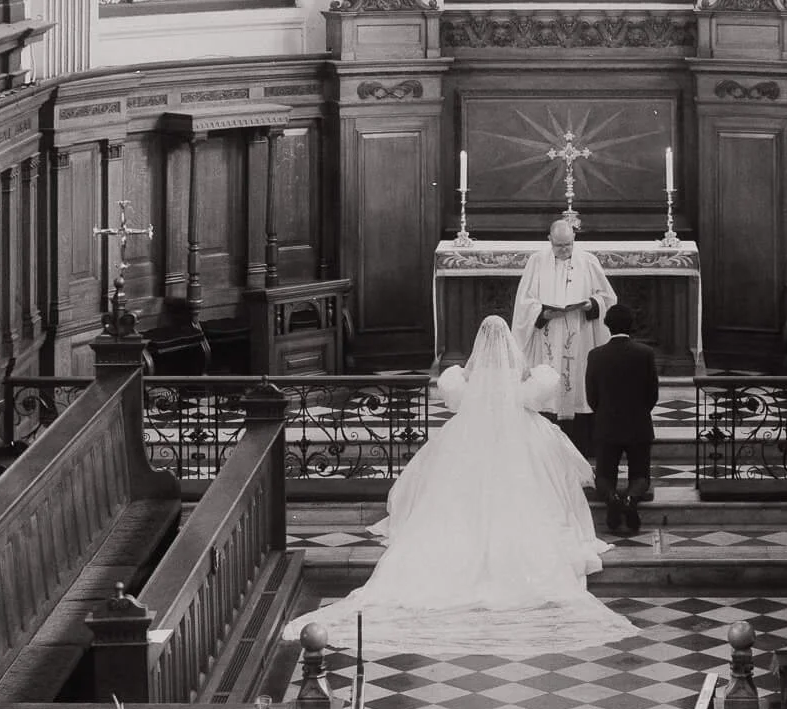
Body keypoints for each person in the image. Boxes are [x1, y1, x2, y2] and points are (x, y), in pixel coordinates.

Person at [282, 317, 635, 656]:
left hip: (471, 437)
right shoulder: (519, 375)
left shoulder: (468, 375)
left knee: (453, 491)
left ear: (480, 343)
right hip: (519, 439)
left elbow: (455, 393)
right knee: (536, 487)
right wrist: (524, 372)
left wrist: (470, 372)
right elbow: (536, 392)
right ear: (508, 343)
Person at [512, 219, 617, 454]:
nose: (564, 250)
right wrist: (541, 312)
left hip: (580, 334)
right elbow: (524, 302)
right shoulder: (536, 261)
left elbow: (607, 297)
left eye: (568, 245)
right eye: (559, 245)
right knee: (548, 386)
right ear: (549, 240)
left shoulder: (588, 261)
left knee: (577, 384)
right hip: (547, 333)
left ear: (574, 239)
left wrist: (592, 304)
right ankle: (544, 446)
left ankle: (582, 444)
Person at [584, 304, 660, 537]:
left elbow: (591, 396)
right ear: (632, 325)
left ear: (607, 325)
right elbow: (652, 393)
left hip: (607, 423)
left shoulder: (596, 355)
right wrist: (640, 411)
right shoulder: (645, 353)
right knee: (640, 474)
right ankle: (630, 498)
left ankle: (612, 497)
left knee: (605, 475)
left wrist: (604, 412)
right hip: (638, 423)